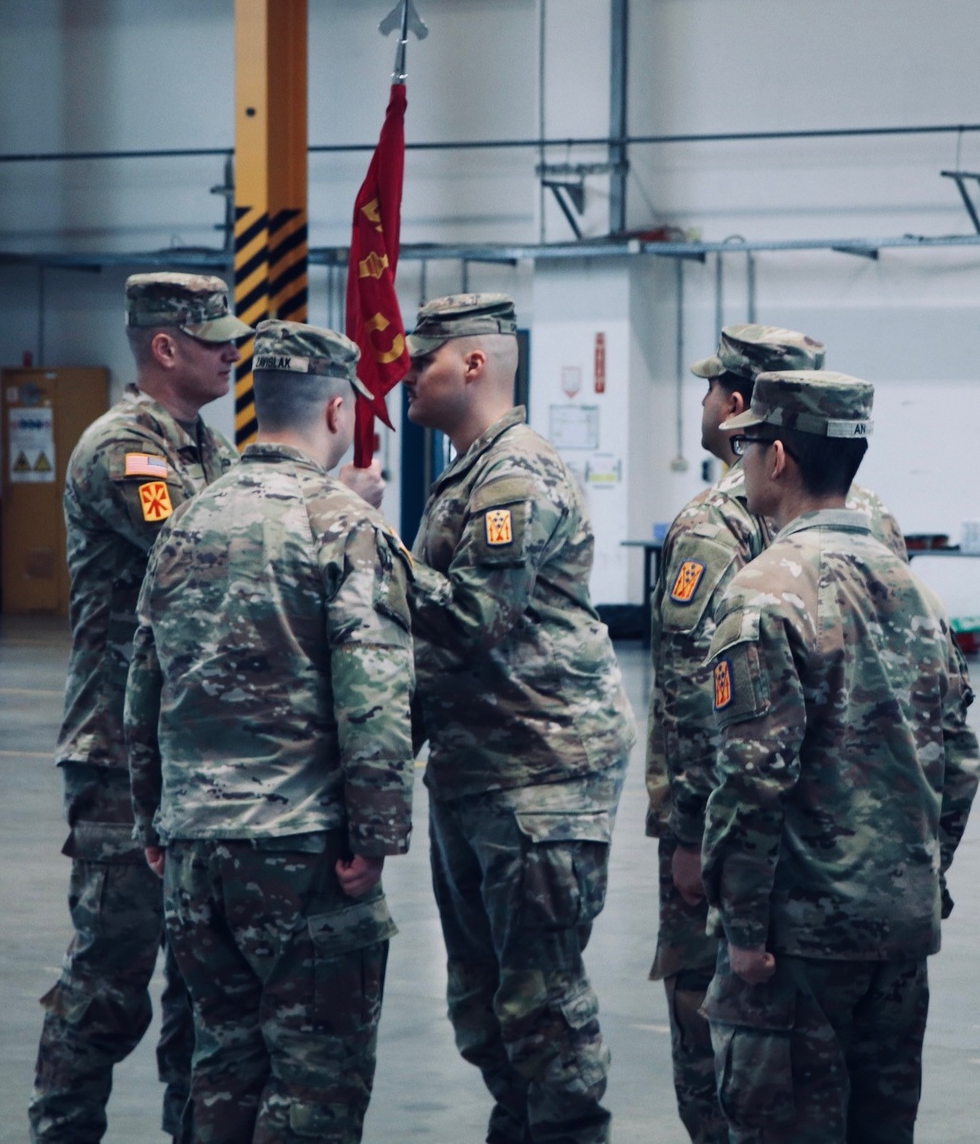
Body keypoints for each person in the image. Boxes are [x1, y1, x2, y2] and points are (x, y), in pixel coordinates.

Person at [124, 320, 415, 1144]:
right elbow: (374, 694)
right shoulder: (344, 527)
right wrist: (379, 834)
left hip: (195, 855)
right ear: (336, 412)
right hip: (304, 852)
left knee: (221, 1067)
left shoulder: (186, 521)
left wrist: (153, 817)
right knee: (315, 1086)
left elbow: (141, 685)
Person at [701, 370, 979, 1143]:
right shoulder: (914, 590)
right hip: (897, 928)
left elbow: (754, 779)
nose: (741, 456)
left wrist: (746, 926)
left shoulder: (765, 594)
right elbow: (958, 760)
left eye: (748, 442)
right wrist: (919, 879)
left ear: (779, 457)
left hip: (797, 948)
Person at [402, 293, 637, 1144]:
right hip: (478, 769)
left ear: (471, 363)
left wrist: (365, 550)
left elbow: (471, 619)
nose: (406, 376)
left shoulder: (514, 474)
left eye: (421, 360)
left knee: (540, 1002)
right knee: (481, 1001)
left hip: (538, 774)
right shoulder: (467, 470)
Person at [30, 271, 249, 1144]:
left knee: (201, 983)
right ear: (165, 348)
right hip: (123, 755)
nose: (232, 351)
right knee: (112, 978)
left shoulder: (212, 451)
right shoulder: (126, 450)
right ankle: (63, 1129)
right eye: (214, 339)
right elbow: (201, 558)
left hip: (194, 754)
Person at [645, 324, 826, 1144]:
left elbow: (692, 695)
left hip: (729, 824)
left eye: (712, 388)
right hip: (825, 834)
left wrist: (687, 834)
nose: (704, 402)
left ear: (740, 405)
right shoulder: (868, 518)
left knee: (710, 1030)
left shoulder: (713, 522)